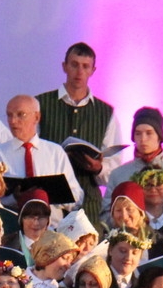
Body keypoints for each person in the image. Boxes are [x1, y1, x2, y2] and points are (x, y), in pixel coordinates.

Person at [35, 42, 122, 224]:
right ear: (64, 66)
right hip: (48, 202)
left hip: (88, 205)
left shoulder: (105, 112)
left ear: (93, 70)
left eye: (85, 66)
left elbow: (114, 168)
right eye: (74, 65)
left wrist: (98, 168)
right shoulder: (41, 104)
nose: (79, 72)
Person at [0, 95, 83, 212]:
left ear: (36, 117)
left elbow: (77, 197)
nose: (13, 121)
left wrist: (49, 195)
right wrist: (14, 198)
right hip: (11, 224)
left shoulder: (55, 152)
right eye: (9, 115)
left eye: (20, 114)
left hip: (51, 226)